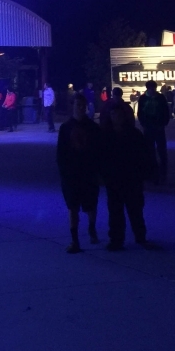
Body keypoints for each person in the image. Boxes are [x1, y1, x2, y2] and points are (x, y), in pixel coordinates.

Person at [57, 93, 102, 253]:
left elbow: (99, 151)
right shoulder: (66, 128)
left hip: (89, 173)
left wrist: (98, 171)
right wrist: (64, 172)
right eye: (78, 105)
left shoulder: (94, 128)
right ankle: (75, 241)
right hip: (72, 175)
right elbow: (61, 152)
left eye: (83, 106)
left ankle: (91, 227)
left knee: (91, 206)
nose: (81, 108)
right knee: (73, 207)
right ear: (73, 107)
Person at [100, 101, 148, 250]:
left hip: (131, 178)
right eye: (113, 114)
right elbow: (100, 156)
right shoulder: (106, 135)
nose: (116, 117)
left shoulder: (134, 134)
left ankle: (140, 236)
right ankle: (116, 239)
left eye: (118, 114)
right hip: (114, 179)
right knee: (115, 211)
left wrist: (142, 173)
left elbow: (143, 156)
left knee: (135, 210)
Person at [137, 80, 171, 184]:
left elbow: (166, 111)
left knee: (162, 152)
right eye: (150, 88)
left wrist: (164, 123)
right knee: (150, 152)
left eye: (153, 88)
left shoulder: (160, 98)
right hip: (149, 128)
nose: (152, 90)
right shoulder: (143, 98)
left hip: (158, 127)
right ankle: (154, 173)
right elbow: (140, 113)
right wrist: (144, 124)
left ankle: (162, 174)